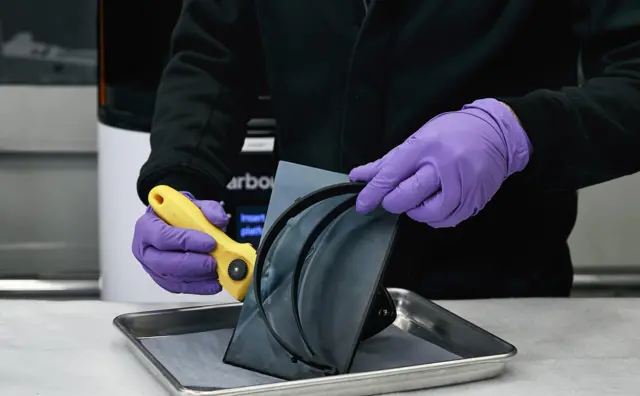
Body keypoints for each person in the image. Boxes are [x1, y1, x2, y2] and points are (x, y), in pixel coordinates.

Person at [132, 0, 640, 299]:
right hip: (304, 287)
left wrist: (517, 131)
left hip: (495, 298)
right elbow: (211, 56)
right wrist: (182, 179)